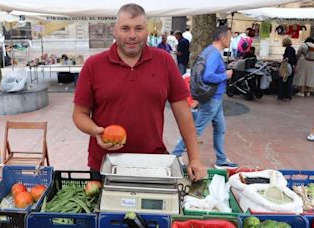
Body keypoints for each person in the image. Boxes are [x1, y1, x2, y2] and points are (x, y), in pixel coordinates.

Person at [72, 3, 206, 181]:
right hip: (105, 164)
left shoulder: (164, 61)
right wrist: (96, 131)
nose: (132, 35)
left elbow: (183, 114)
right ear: (115, 30)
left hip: (152, 162)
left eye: (139, 28)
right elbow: (79, 114)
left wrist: (194, 158)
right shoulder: (94, 65)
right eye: (125, 28)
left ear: (147, 31)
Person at [195, 26, 238, 169]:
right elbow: (208, 76)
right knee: (196, 130)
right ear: (223, 38)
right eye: (229, 37)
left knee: (220, 128)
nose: (230, 40)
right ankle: (175, 155)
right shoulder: (214, 53)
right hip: (212, 98)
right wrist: (225, 75)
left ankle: (221, 159)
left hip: (215, 98)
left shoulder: (210, 50)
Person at [172, 75, 199, 165]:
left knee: (219, 127)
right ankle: (177, 152)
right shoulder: (189, 78)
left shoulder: (187, 76)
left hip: (194, 104)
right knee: (196, 127)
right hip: (193, 105)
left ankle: (178, 151)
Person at [278, 37, 297, 101]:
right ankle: (288, 96)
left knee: (283, 81)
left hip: (286, 67)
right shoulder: (292, 49)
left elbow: (286, 58)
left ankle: (282, 95)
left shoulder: (287, 49)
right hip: (291, 67)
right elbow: (294, 59)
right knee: (289, 82)